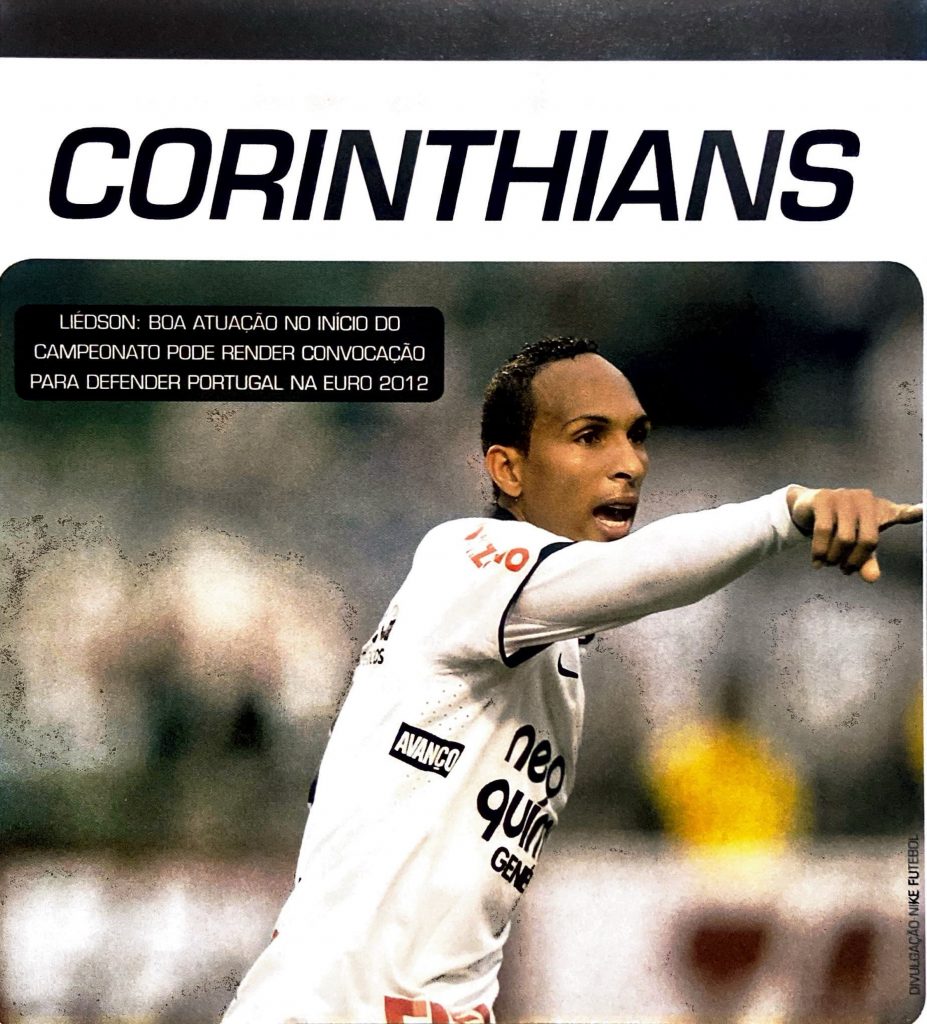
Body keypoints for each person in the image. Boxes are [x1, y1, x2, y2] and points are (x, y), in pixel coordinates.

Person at [221, 336, 921, 1024]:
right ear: (508, 469)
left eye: (636, 438)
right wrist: (781, 514)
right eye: (589, 437)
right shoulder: (462, 560)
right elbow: (642, 573)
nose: (628, 464)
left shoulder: (556, 659)